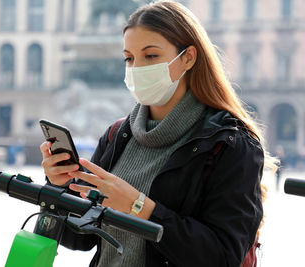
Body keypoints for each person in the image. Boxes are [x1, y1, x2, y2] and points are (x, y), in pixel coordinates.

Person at [40, 1, 276, 266]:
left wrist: (139, 207)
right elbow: (80, 238)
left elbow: (222, 256)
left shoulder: (230, 144)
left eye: (151, 56)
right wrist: (59, 186)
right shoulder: (118, 134)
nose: (137, 67)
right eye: (129, 58)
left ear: (188, 57)